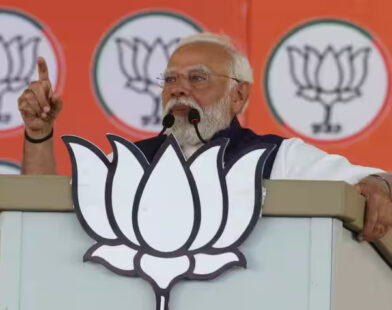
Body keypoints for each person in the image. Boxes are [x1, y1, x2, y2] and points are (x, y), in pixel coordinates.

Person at [18, 32, 392, 242]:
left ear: (239, 95)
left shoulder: (280, 157)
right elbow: (41, 219)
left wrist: (378, 187)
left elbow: (374, 184)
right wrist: (39, 136)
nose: (178, 90)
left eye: (196, 78)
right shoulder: (129, 161)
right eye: (170, 79)